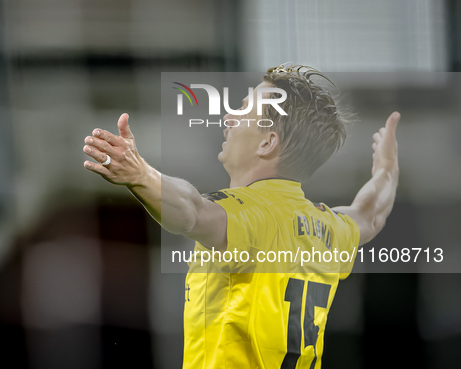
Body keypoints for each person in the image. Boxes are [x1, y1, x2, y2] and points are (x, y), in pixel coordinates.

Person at [82, 64, 400, 368]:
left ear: (267, 142)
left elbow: (192, 212)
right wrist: (386, 168)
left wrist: (140, 174)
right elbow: (370, 215)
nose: (229, 117)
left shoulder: (253, 214)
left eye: (244, 110)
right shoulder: (329, 226)